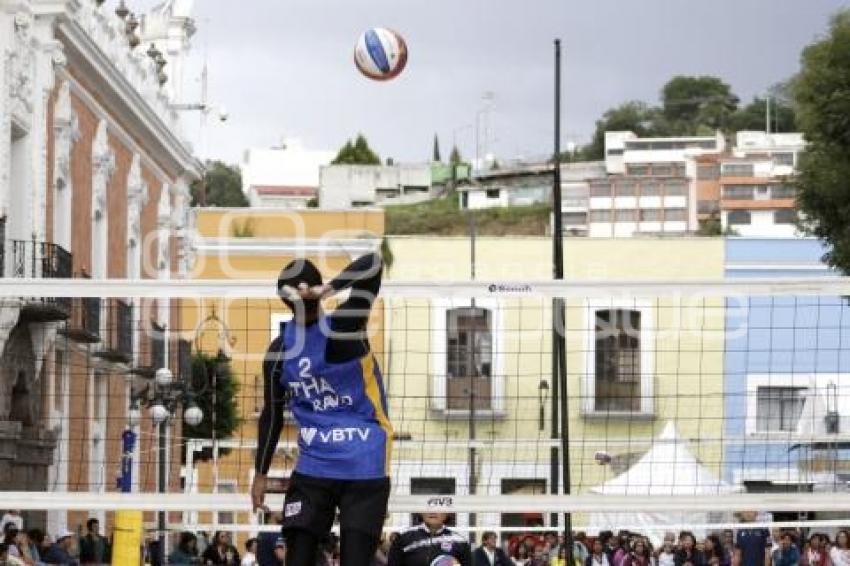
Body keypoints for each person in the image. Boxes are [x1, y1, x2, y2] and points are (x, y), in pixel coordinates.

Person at [251, 253, 391, 566]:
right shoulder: (280, 351)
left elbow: (373, 262)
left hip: (364, 463)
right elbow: (271, 415)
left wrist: (328, 289)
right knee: (298, 554)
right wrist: (260, 474)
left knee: (356, 559)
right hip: (314, 467)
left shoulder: (345, 325)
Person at [387, 513, 471, 566]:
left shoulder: (460, 541)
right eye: (428, 507)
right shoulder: (403, 538)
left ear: (447, 513)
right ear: (420, 512)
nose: (433, 511)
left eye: (439, 508)